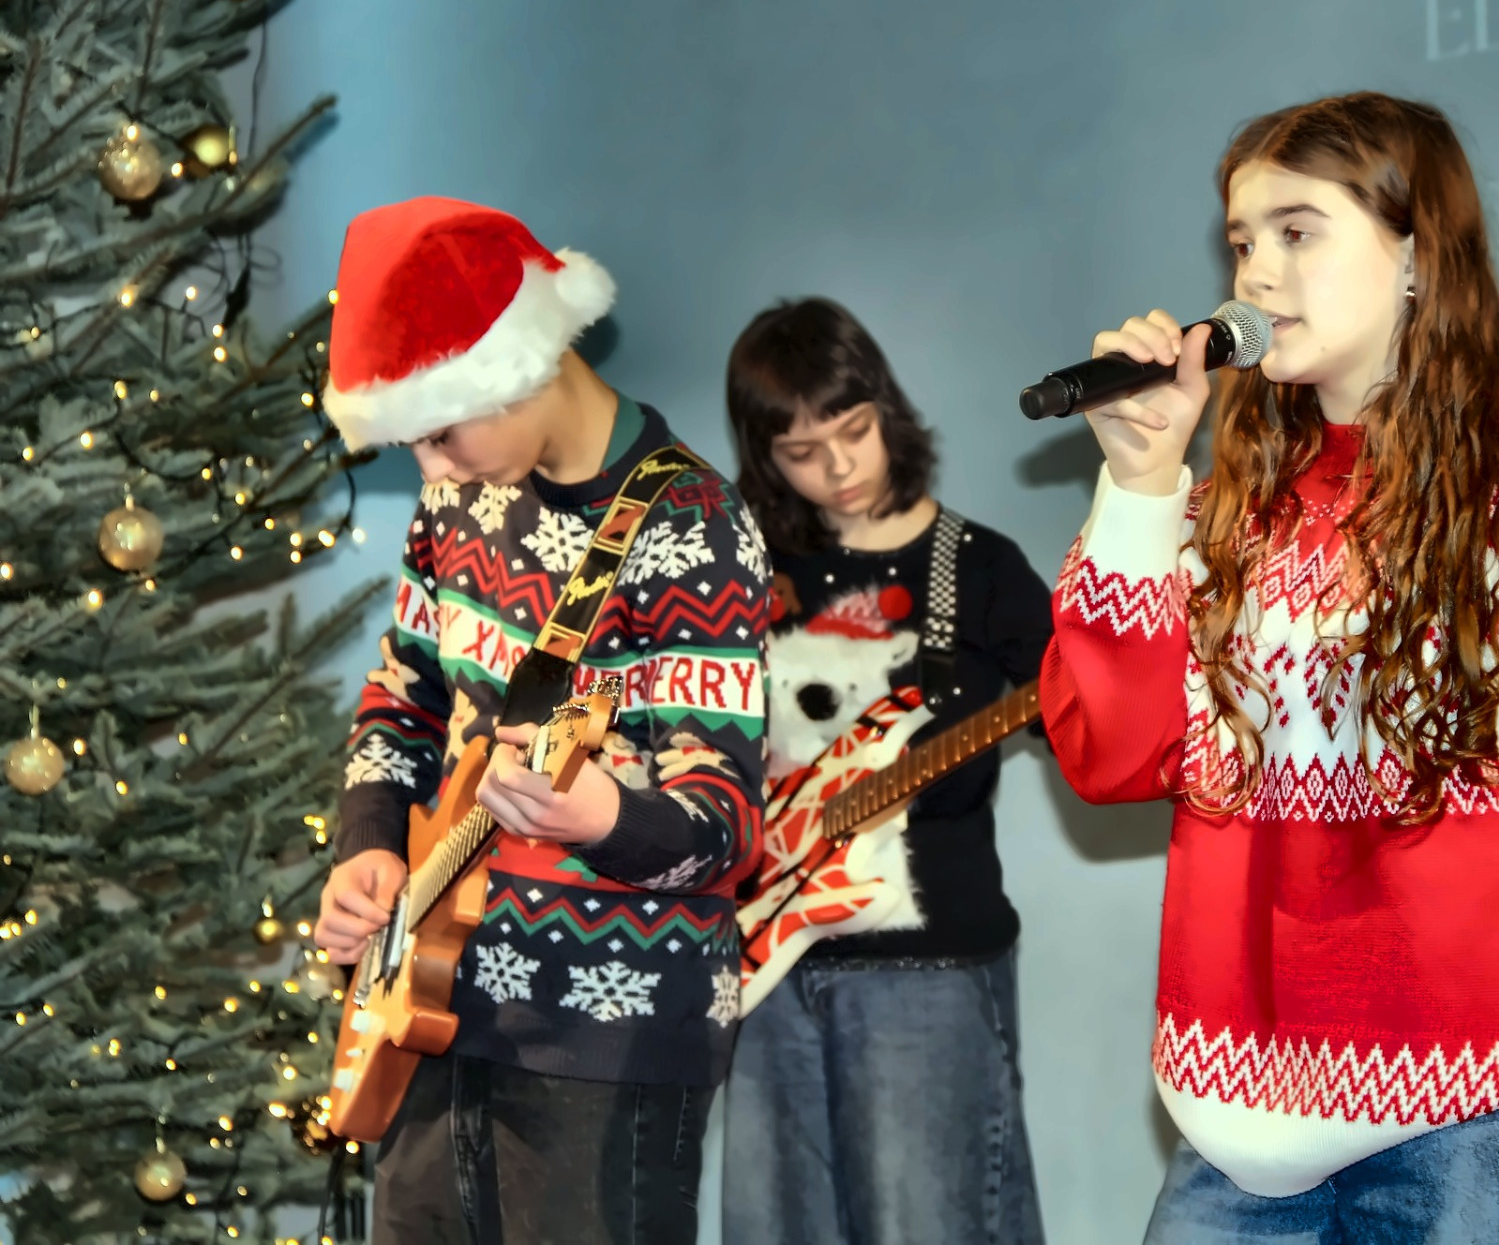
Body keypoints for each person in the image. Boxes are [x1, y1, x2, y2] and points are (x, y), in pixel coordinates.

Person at [1041, 93, 1499, 1245]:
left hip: (1478, 1125)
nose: (1257, 272)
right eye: (1242, 242)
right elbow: (1110, 756)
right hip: (1237, 1138)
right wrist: (1144, 480)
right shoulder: (1230, 512)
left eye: (1297, 231)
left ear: (1416, 254)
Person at [311, 197, 770, 1245]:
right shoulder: (457, 504)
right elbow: (404, 694)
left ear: (516, 368)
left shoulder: (691, 526)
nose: (431, 471)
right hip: (433, 1004)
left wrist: (605, 816)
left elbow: (726, 825)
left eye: (441, 432)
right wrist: (370, 846)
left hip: (608, 1040)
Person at [718, 297, 1049, 1245]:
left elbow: (1093, 724)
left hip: (927, 973)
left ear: (887, 410)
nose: (837, 467)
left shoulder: (977, 568)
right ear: (764, 456)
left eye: (854, 431)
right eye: (801, 451)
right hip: (762, 968)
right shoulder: (742, 571)